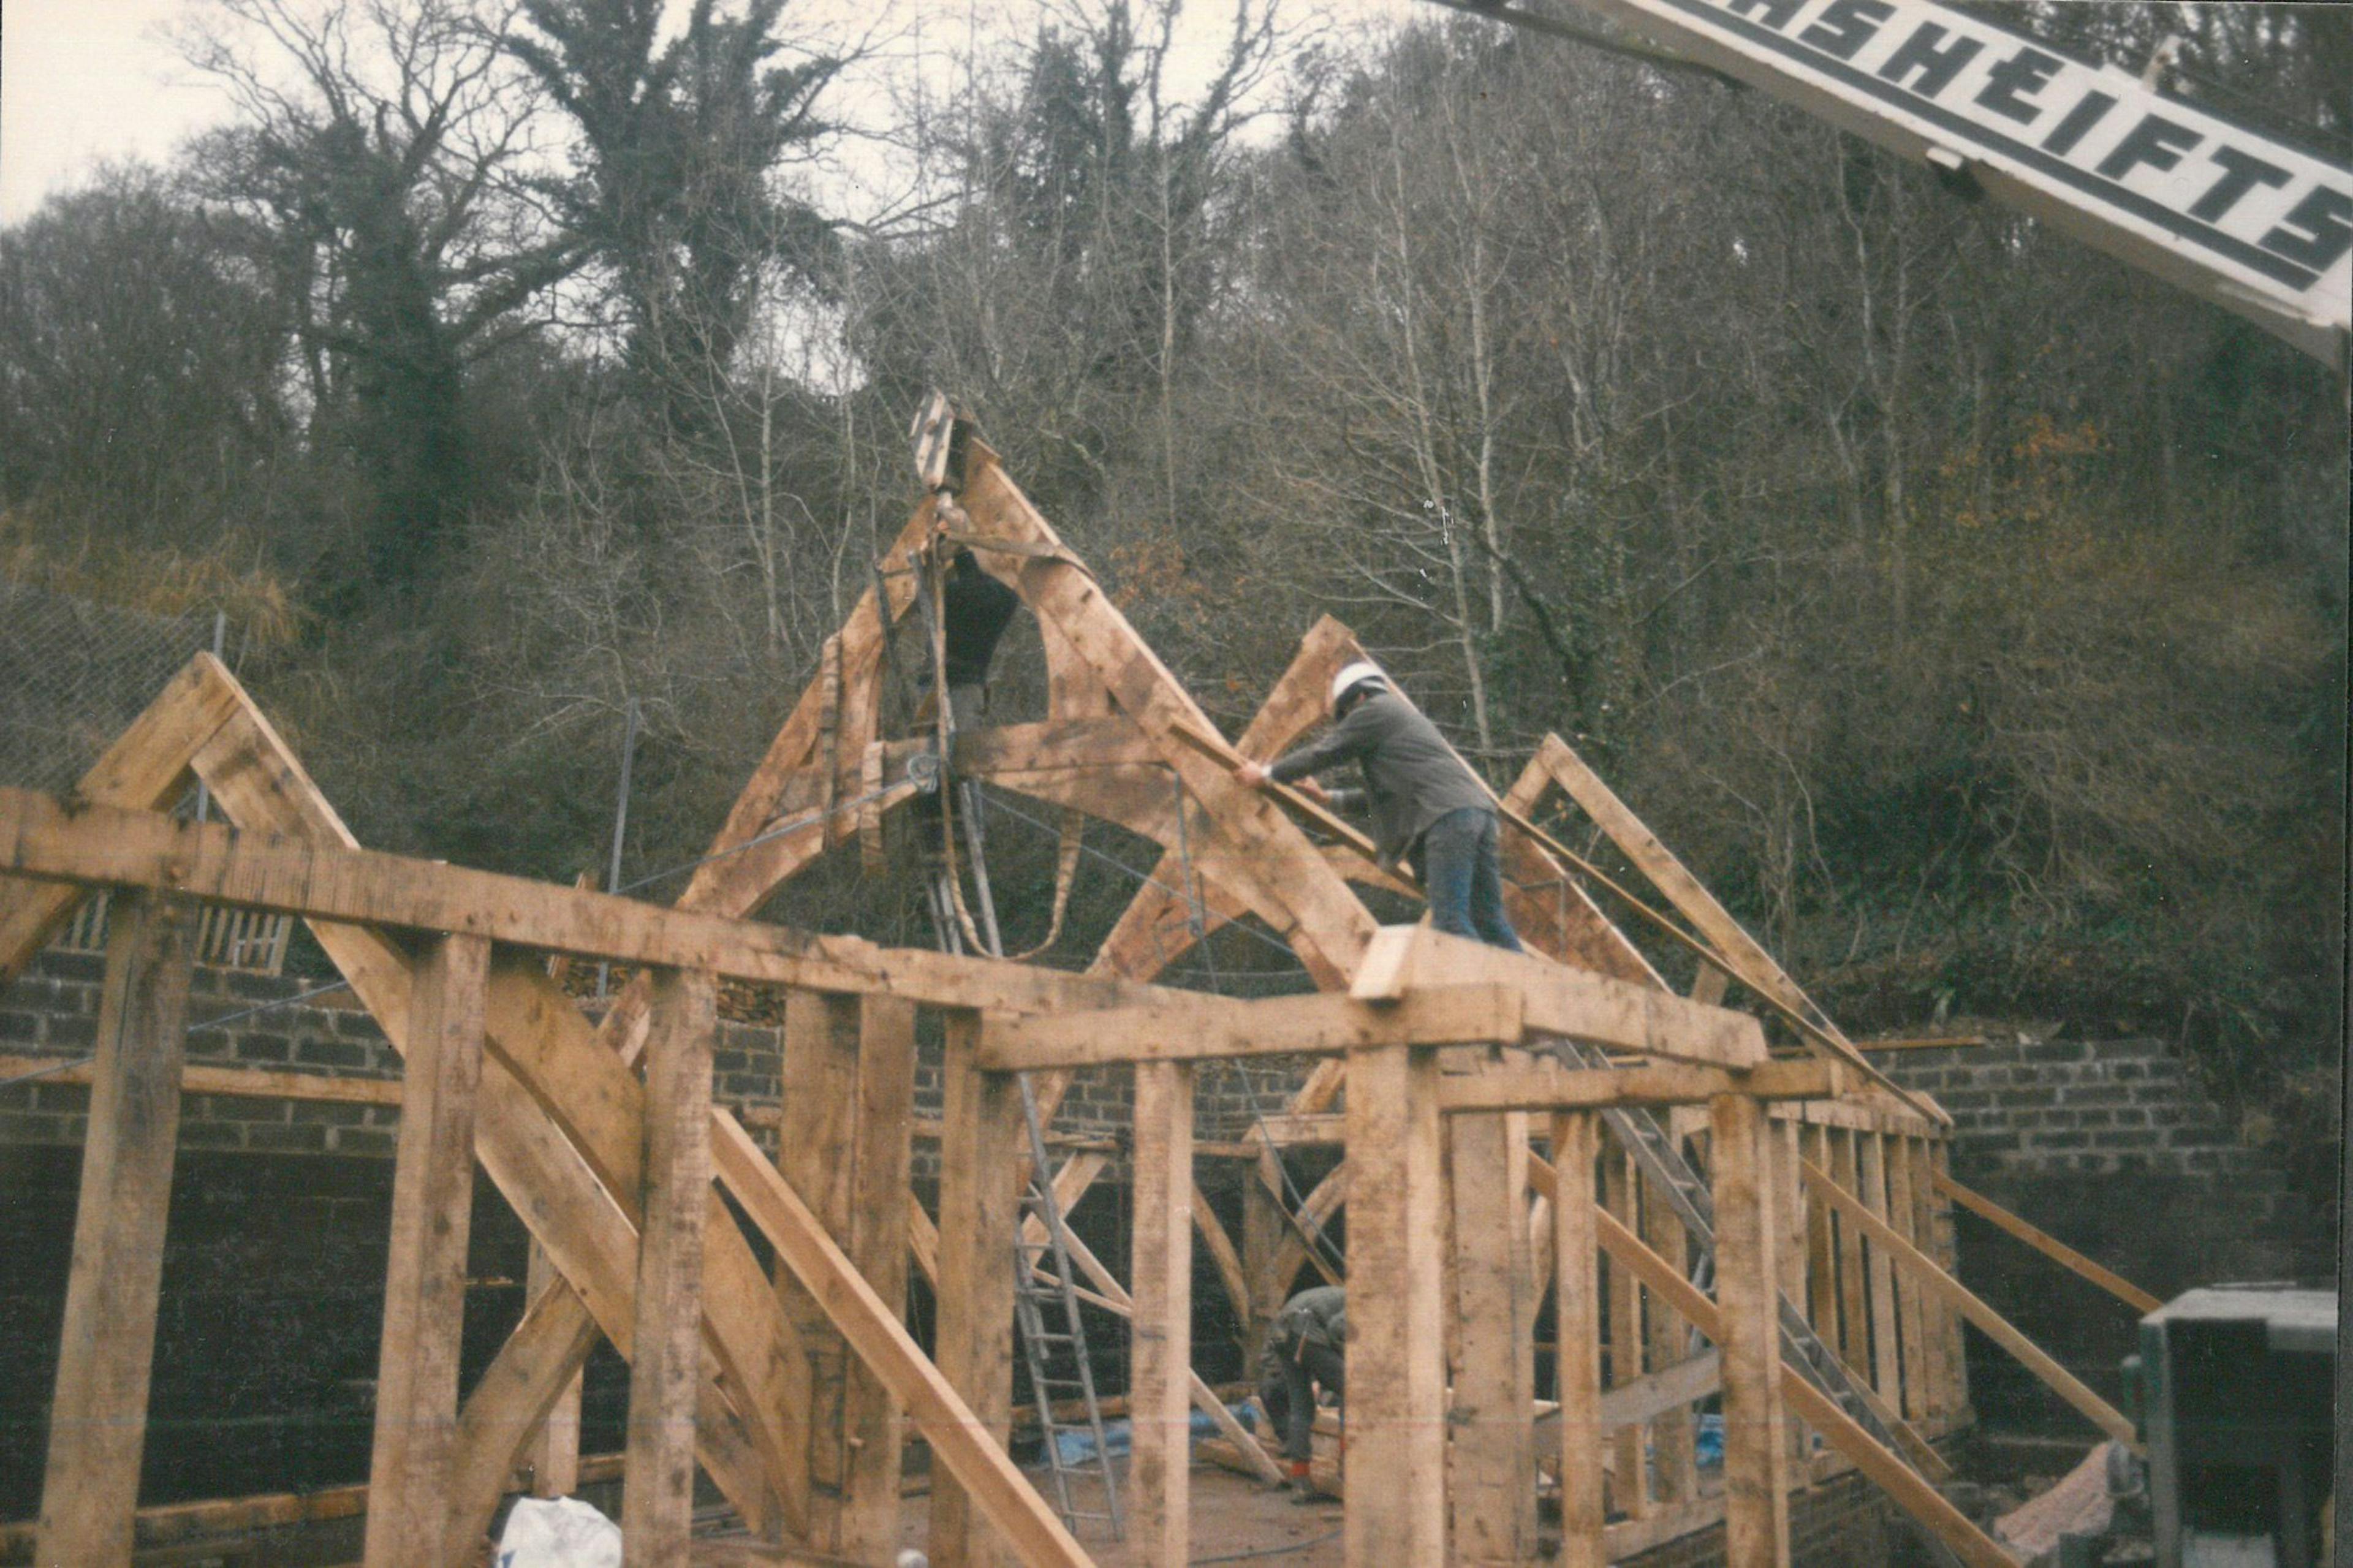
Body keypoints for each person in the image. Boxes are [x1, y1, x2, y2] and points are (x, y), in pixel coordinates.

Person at [1233, 660, 1522, 952]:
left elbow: (1327, 751)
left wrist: (1267, 775)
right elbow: (1392, 796)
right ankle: (1529, 991)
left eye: (1346, 713)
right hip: (1476, 814)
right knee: (1490, 920)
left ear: (1359, 696)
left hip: (1447, 818)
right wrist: (1329, 798)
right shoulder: (1400, 724)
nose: (1347, 721)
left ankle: (1486, 994)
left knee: (1449, 921)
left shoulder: (1376, 710)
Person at [1257, 1285, 1346, 1491]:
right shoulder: (1361, 1302)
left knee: (1301, 1407)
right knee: (1353, 1393)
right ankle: (1348, 1467)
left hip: (1284, 1335)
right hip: (1306, 1332)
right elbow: (1337, 1327)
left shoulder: (1333, 1296)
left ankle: (1301, 1480)